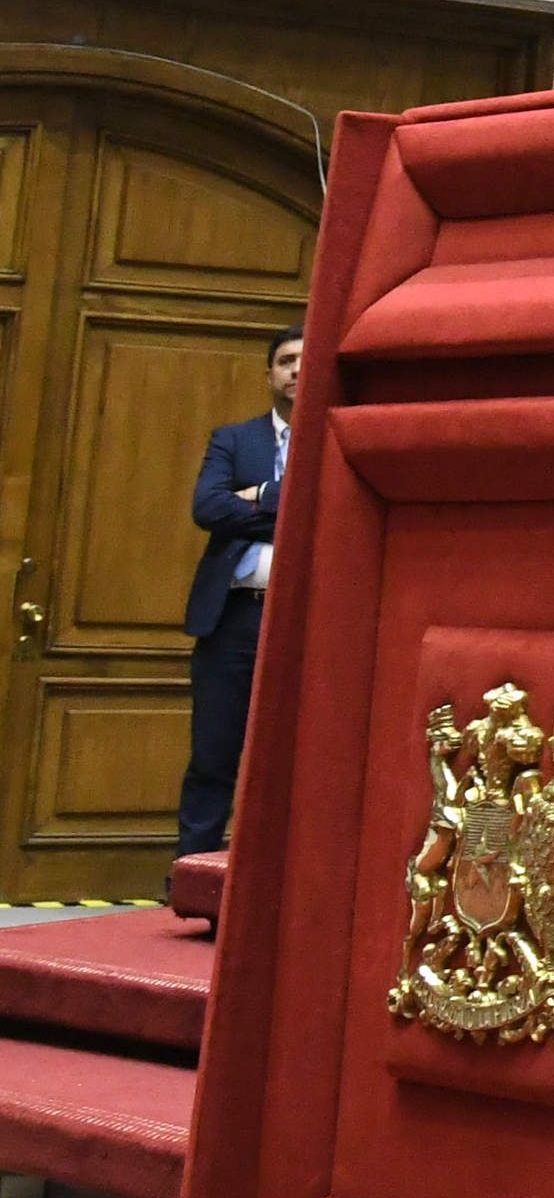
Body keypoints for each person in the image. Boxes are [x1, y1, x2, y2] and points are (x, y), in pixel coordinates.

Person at [176, 330, 300, 858]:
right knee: (213, 755)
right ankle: (188, 878)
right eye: (286, 361)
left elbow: (328, 513)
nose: (296, 370)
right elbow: (208, 508)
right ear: (268, 374)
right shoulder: (234, 439)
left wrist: (262, 496)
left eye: (305, 361)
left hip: (302, 621)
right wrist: (287, 508)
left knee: (288, 762)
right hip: (233, 620)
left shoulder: (334, 436)